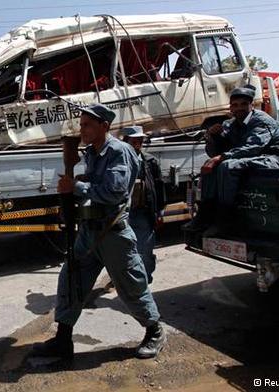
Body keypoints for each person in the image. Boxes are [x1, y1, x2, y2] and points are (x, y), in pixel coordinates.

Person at [32, 103, 165, 361]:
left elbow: (114, 192)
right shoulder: (92, 152)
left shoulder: (119, 151)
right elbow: (94, 185)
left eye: (87, 125)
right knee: (71, 280)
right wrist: (73, 193)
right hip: (89, 231)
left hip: (112, 232)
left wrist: (77, 187)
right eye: (81, 125)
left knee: (131, 284)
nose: (82, 130)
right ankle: (63, 339)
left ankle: (155, 331)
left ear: (105, 126)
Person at [189, 86, 279, 230]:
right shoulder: (230, 124)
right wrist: (214, 137)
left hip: (271, 158)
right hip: (250, 159)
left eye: (244, 104)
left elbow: (252, 147)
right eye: (235, 105)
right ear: (230, 108)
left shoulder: (261, 121)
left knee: (227, 165)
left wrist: (222, 157)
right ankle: (204, 213)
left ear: (252, 105)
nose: (239, 108)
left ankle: (224, 217)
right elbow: (214, 153)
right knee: (210, 167)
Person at [123, 126, 165, 284]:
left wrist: (160, 212)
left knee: (145, 250)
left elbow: (159, 187)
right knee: (123, 251)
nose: (137, 144)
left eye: (139, 141)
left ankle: (144, 280)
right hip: (123, 215)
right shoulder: (117, 161)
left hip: (143, 213)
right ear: (125, 142)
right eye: (133, 141)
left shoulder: (149, 161)